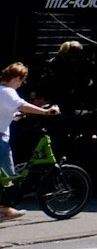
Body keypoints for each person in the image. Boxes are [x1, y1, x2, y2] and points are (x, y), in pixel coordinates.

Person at [0, 63, 60, 221]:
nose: (22, 84)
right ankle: (5, 209)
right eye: (22, 80)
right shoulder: (8, 91)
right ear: (16, 78)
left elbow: (12, 112)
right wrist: (45, 112)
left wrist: (18, 116)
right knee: (8, 175)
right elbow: (22, 105)